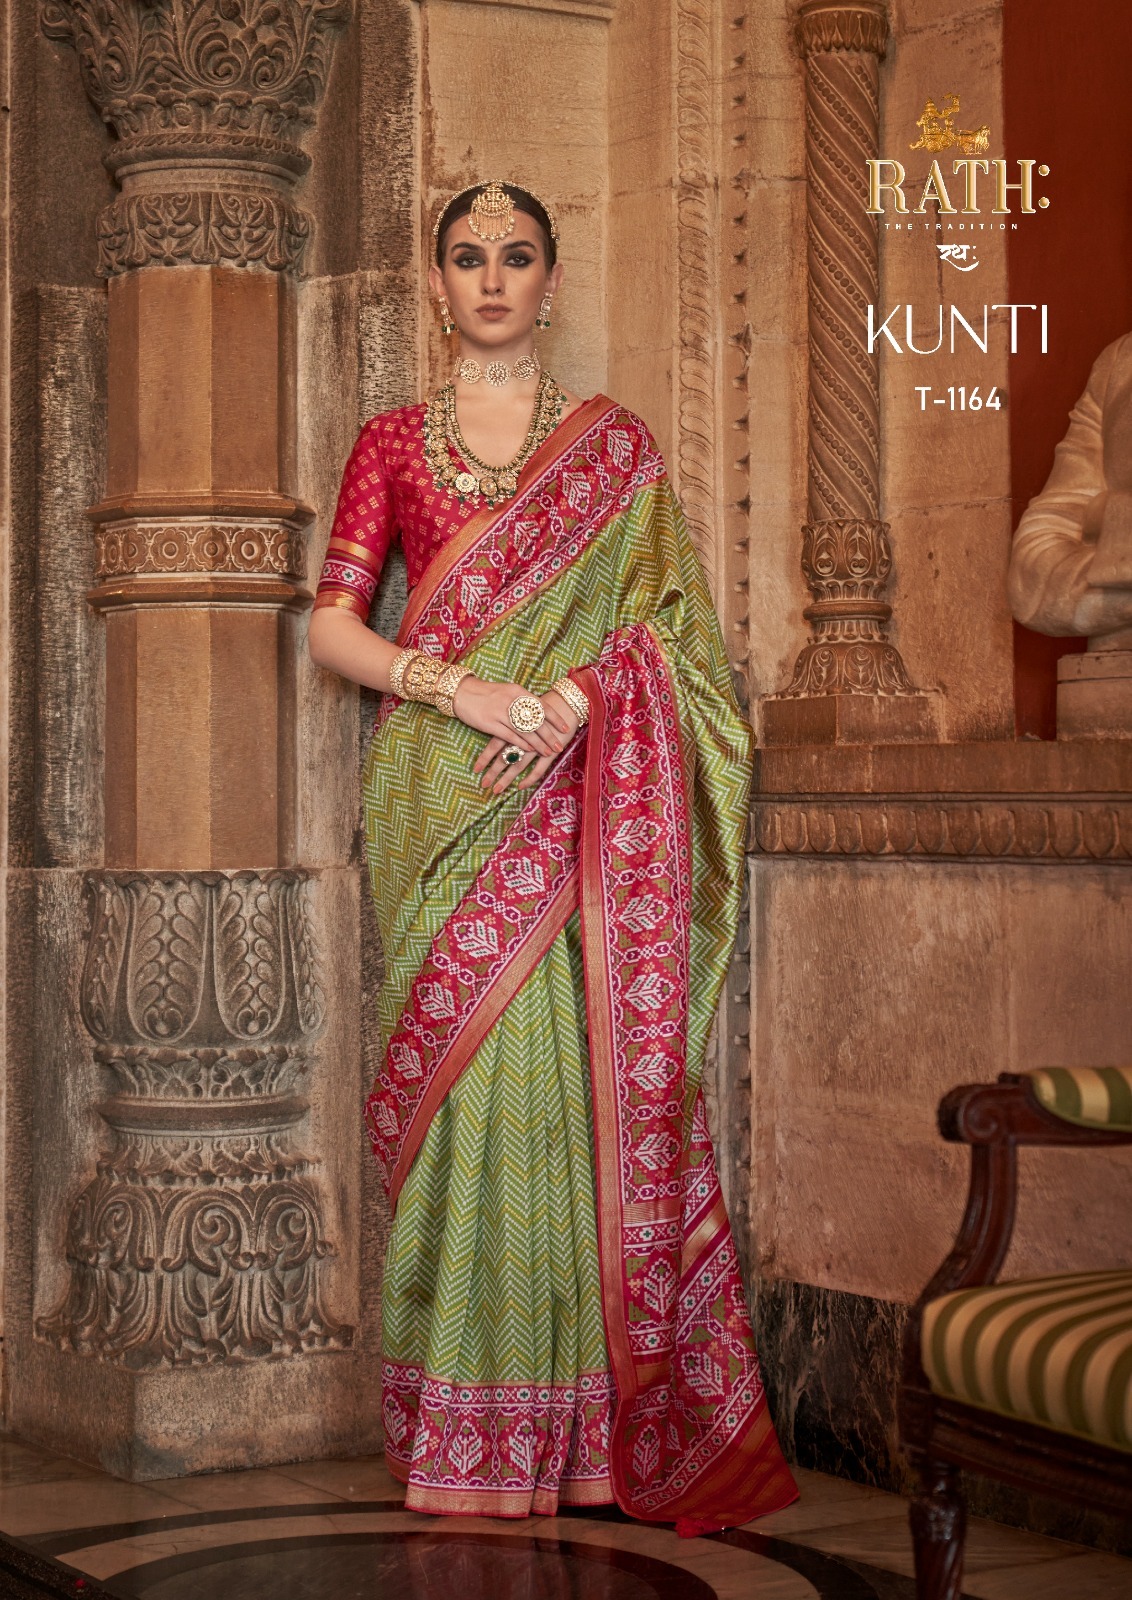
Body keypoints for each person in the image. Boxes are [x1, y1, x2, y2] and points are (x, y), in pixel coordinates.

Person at [308, 179, 797, 1531]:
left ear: (552, 279)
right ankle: (462, 1430)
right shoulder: (392, 444)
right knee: (465, 1097)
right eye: (467, 257)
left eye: (516, 257)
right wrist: (461, 688)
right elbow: (331, 626)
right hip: (439, 789)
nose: (491, 278)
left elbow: (676, 636)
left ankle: (575, 1434)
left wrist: (577, 700)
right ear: (436, 282)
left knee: (564, 1087)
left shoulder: (616, 451)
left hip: (574, 795)